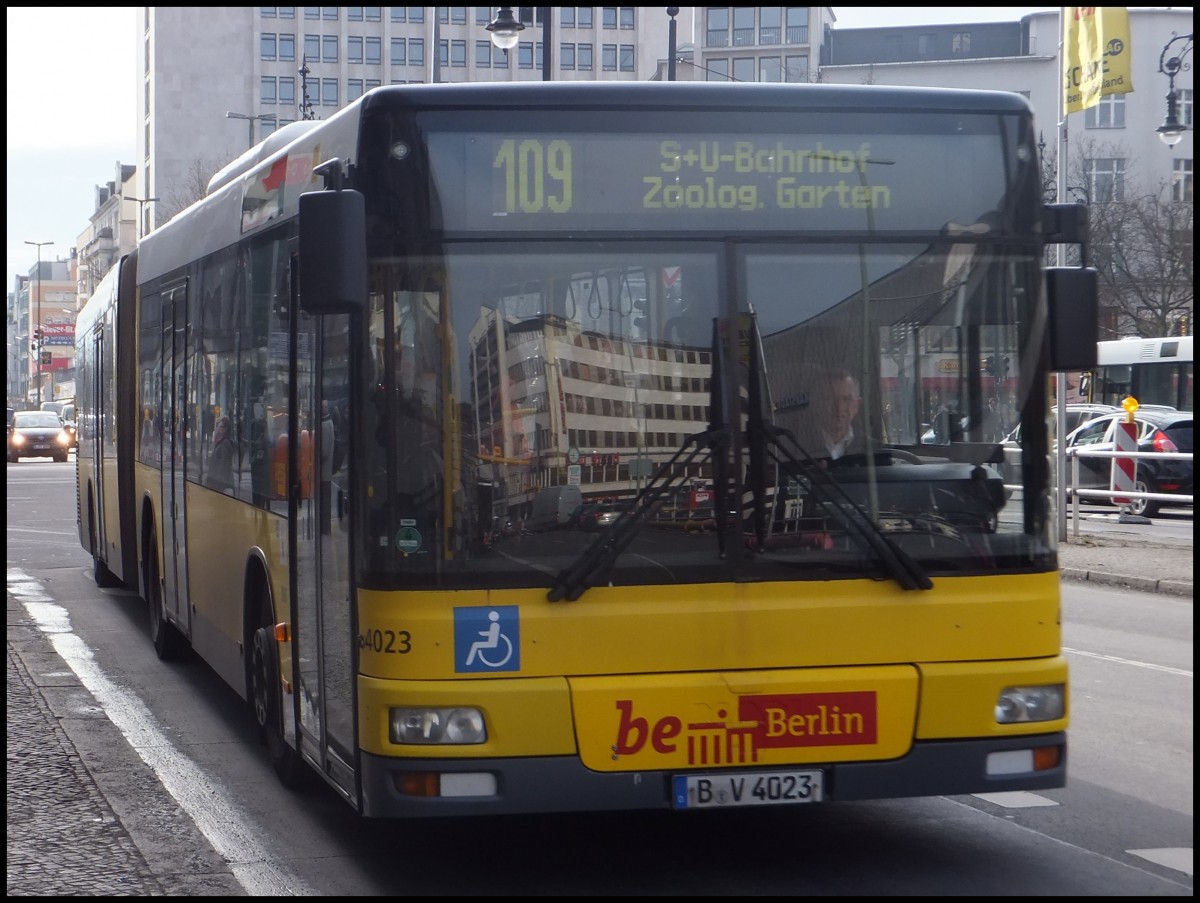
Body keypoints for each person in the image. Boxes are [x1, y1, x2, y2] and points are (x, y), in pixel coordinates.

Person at [796, 368, 866, 461]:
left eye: (846, 399)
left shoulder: (873, 450)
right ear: (816, 403)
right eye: (829, 399)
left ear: (857, 405)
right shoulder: (794, 448)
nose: (839, 408)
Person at [206, 415, 235, 492]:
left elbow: (224, 463)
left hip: (219, 482)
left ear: (225, 429)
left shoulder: (225, 443)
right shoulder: (220, 441)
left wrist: (216, 481)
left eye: (221, 426)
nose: (219, 428)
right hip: (217, 480)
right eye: (218, 426)